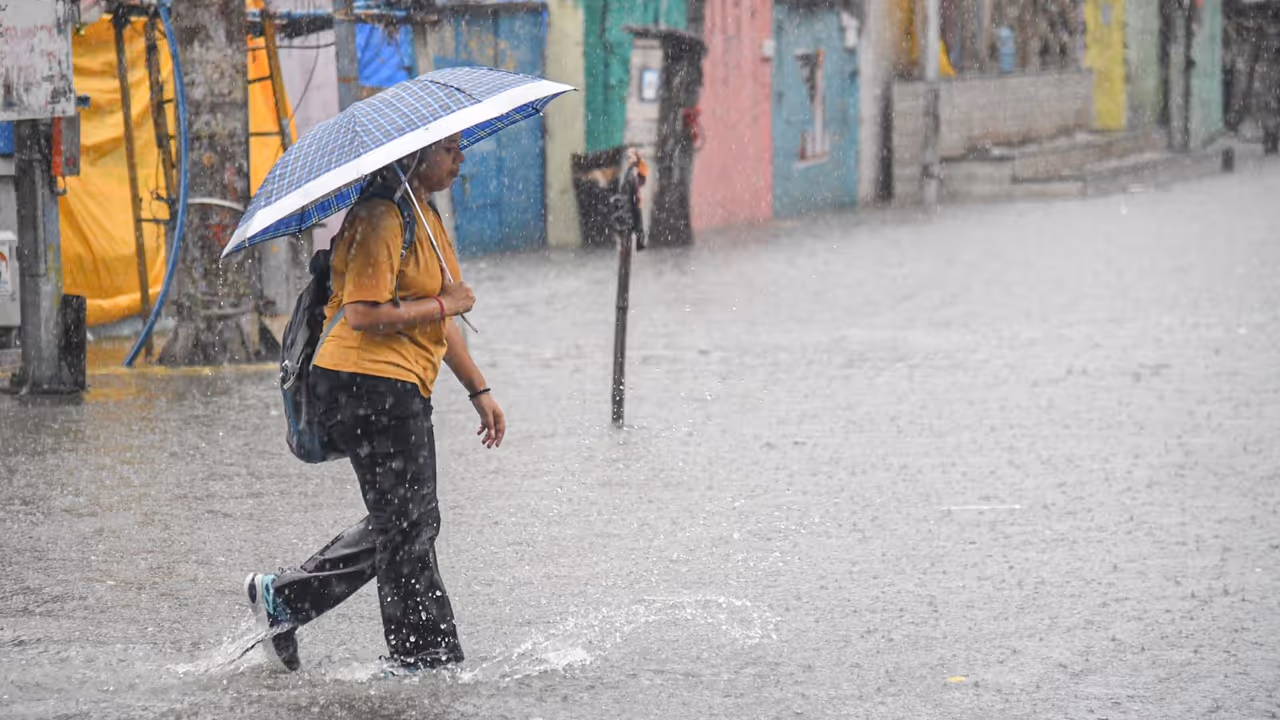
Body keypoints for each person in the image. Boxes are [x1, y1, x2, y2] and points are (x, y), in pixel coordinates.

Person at [243, 133, 505, 673]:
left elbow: (441, 317)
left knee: (407, 519)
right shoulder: (381, 216)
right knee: (408, 524)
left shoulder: (425, 215)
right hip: (365, 385)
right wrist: (443, 303)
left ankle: (286, 599)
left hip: (397, 384)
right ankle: (421, 654)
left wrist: (479, 390)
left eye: (459, 147)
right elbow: (363, 313)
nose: (460, 157)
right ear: (416, 155)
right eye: (449, 149)